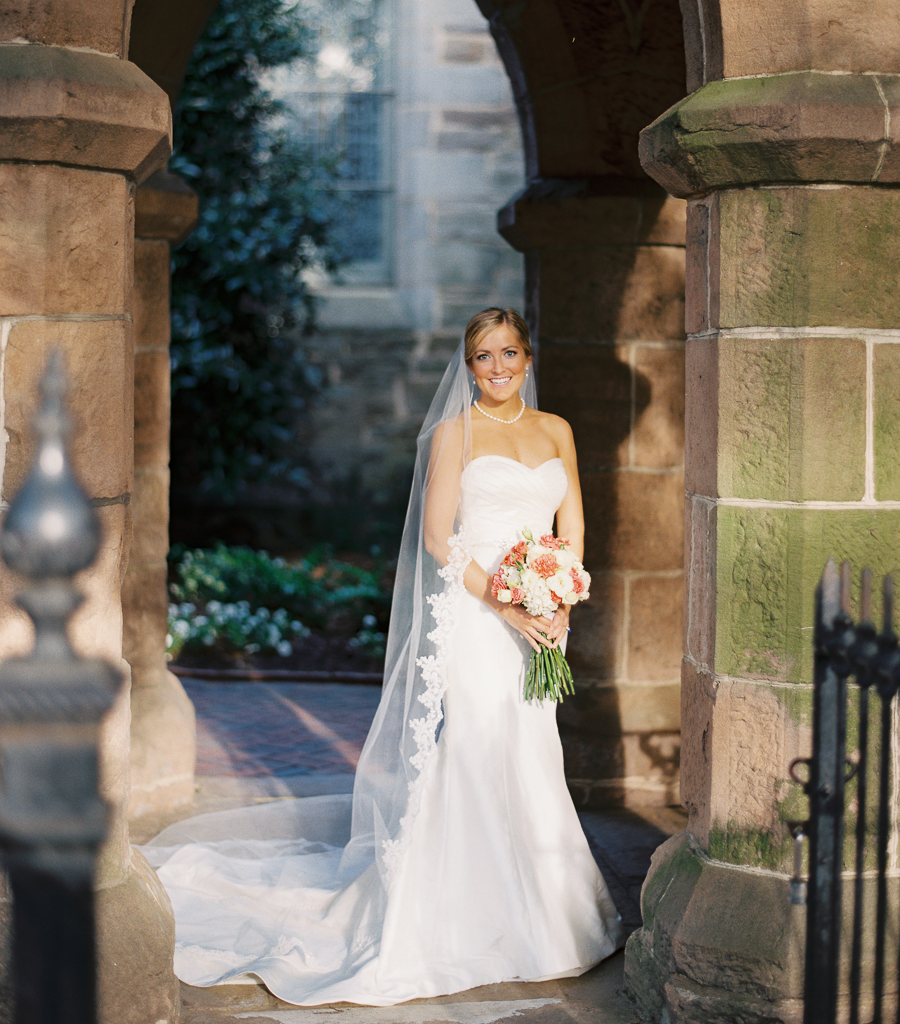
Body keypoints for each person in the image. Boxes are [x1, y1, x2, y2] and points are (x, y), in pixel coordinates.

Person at [142, 307, 623, 1006]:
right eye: (483, 356)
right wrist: (512, 604)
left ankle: (550, 911)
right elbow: (437, 540)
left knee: (532, 749)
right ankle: (465, 917)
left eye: (509, 353)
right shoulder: (456, 434)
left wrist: (561, 597)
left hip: (544, 618)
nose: (497, 367)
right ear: (469, 366)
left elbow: (571, 523)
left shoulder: (558, 432)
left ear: (528, 357)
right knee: (478, 748)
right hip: (482, 616)